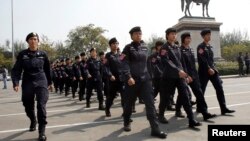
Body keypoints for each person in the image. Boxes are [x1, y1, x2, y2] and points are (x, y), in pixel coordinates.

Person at [120, 26, 167, 138]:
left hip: (145, 80)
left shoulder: (145, 47)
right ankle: (126, 121)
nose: (138, 35)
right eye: (136, 33)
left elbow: (148, 63)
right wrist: (128, 76)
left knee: (150, 104)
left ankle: (155, 129)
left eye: (140, 33)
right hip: (132, 81)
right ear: (131, 36)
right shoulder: (127, 48)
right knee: (128, 104)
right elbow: (123, 62)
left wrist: (150, 77)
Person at [11, 32, 51, 141]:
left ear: (38, 41)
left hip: (41, 80)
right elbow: (17, 70)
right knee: (27, 104)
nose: (33, 41)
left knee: (41, 106)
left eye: (35, 39)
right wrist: (15, 83)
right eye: (31, 39)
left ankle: (41, 132)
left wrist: (50, 83)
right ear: (28, 41)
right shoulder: (22, 54)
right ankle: (33, 119)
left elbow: (48, 70)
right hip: (28, 81)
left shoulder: (43, 54)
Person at [158, 28, 201, 128]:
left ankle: (191, 120)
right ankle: (160, 115)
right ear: (167, 35)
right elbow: (166, 61)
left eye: (175, 34)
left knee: (185, 96)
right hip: (168, 77)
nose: (173, 35)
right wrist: (178, 71)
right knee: (166, 97)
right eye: (171, 34)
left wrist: (186, 75)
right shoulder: (164, 48)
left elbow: (182, 63)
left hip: (180, 77)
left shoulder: (177, 47)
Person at [179, 32, 217, 120]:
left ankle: (205, 113)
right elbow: (182, 64)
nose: (189, 40)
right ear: (183, 39)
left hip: (194, 76)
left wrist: (195, 76)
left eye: (189, 38)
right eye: (187, 38)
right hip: (185, 76)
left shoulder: (191, 49)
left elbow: (193, 64)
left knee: (199, 94)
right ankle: (178, 110)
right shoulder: (180, 50)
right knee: (183, 95)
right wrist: (186, 76)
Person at [197, 28, 235, 115]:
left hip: (213, 71)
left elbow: (211, 60)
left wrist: (214, 68)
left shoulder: (210, 47)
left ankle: (223, 108)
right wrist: (208, 68)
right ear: (203, 36)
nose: (209, 36)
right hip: (204, 72)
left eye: (210, 35)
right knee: (201, 90)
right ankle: (200, 107)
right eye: (207, 35)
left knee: (219, 88)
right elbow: (202, 60)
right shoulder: (200, 47)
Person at [104, 37, 125, 117]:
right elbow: (105, 67)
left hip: (122, 79)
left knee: (124, 97)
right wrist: (110, 75)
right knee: (111, 97)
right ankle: (107, 108)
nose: (115, 45)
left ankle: (125, 112)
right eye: (113, 44)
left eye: (117, 43)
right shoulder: (108, 55)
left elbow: (125, 65)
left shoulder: (121, 55)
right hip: (113, 80)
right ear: (110, 45)